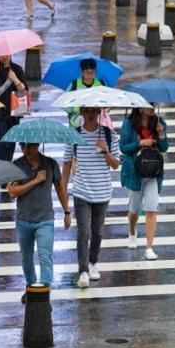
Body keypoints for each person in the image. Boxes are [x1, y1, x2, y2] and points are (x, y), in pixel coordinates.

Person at [62, 106, 120, 289]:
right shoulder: (74, 135)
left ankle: (93, 261)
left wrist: (105, 151)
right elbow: (66, 163)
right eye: (87, 109)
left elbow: (116, 165)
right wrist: (62, 189)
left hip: (102, 191)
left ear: (99, 112)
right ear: (81, 111)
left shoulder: (110, 135)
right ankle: (83, 270)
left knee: (98, 231)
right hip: (81, 191)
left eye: (94, 109)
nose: (90, 113)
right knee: (83, 231)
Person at [8, 143, 69, 299]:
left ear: (37, 145)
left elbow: (60, 187)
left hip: (45, 219)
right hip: (23, 219)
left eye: (30, 146)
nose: (27, 149)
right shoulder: (17, 165)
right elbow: (12, 192)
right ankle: (30, 287)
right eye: (24, 146)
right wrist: (35, 180)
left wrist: (67, 211)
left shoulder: (50, 164)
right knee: (26, 258)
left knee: (45, 257)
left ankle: (44, 295)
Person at [120, 107, 168, 260]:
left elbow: (164, 147)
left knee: (151, 208)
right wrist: (141, 143)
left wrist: (161, 134)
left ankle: (149, 247)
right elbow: (123, 147)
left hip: (153, 172)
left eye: (153, 104)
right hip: (135, 172)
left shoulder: (159, 122)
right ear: (140, 107)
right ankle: (132, 230)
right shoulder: (128, 124)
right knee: (134, 210)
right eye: (149, 104)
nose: (152, 107)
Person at [0, 55, 27, 162]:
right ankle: (3, 174)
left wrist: (15, 79)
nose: (4, 56)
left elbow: (23, 91)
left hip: (13, 114)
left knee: (10, 147)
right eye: (1, 53)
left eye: (6, 53)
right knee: (1, 147)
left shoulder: (17, 69)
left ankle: (5, 173)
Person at [65, 58, 104, 127]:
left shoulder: (100, 84)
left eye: (92, 72)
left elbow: (108, 100)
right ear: (82, 71)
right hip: (76, 124)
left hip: (96, 122)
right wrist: (75, 109)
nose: (89, 75)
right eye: (86, 72)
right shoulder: (74, 84)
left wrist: (103, 109)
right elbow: (65, 102)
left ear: (95, 71)